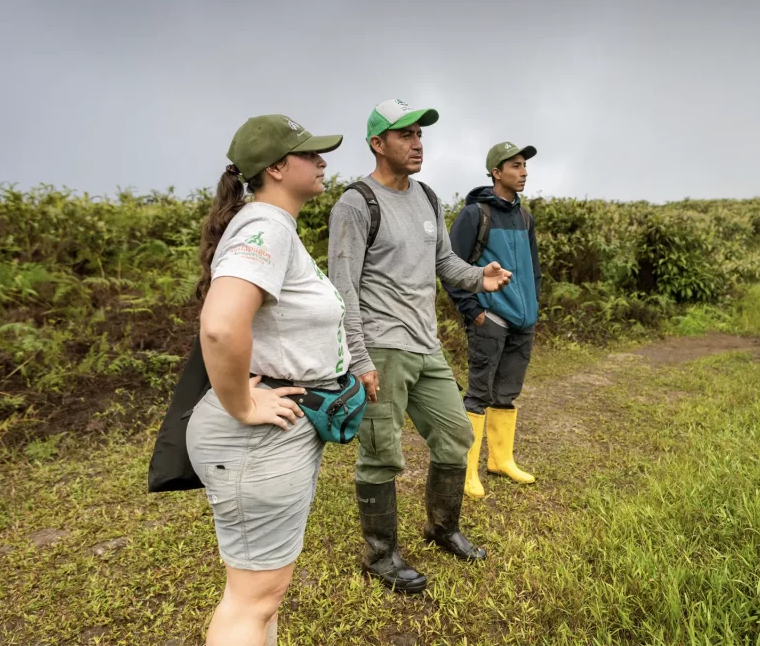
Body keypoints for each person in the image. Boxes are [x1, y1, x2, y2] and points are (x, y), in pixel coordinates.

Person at [327, 99, 512, 594]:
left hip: (426, 345)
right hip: (380, 348)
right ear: (378, 143)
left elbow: (444, 262)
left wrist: (479, 276)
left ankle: (442, 529)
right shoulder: (356, 204)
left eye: (420, 134)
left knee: (455, 434)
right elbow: (342, 289)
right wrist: (358, 358)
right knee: (380, 453)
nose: (417, 143)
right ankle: (380, 554)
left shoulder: (427, 197)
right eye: (405, 134)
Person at [186, 114, 348, 646]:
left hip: (270, 437)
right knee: (252, 602)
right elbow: (219, 325)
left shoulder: (272, 226)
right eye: (310, 154)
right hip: (255, 438)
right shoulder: (266, 226)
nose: (322, 162)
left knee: (260, 597)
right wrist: (243, 405)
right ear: (276, 168)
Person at [444, 142, 542, 499]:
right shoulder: (476, 215)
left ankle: (501, 461)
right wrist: (475, 312)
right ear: (496, 173)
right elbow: (450, 267)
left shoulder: (525, 217)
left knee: (507, 393)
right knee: (478, 394)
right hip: (491, 319)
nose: (523, 172)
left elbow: (534, 270)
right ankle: (467, 471)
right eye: (515, 165)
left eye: (525, 165)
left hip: (523, 322)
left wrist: (533, 306)